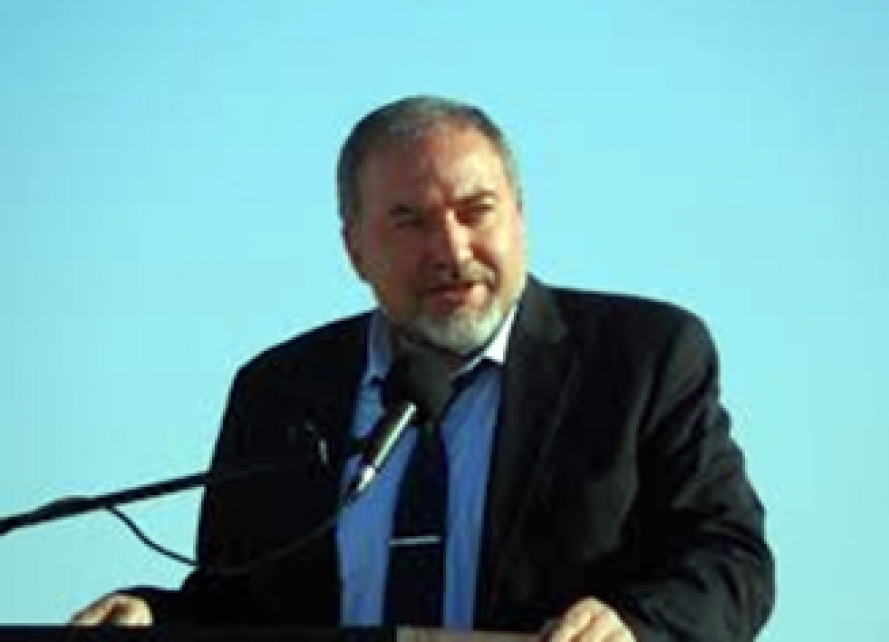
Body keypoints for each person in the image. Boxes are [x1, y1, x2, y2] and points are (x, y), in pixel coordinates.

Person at [71, 95, 775, 641]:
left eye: (476, 211)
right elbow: (238, 604)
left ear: (520, 217)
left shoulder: (641, 358)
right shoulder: (280, 391)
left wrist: (637, 624)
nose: (451, 249)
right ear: (354, 248)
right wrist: (156, 618)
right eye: (410, 221)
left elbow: (729, 559)